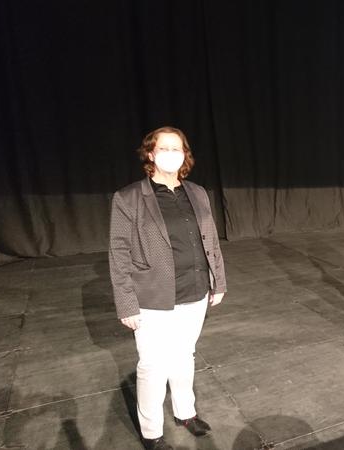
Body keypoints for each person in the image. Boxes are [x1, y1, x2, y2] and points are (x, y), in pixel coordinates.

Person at [109, 126, 226, 449]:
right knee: (152, 365)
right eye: (164, 148)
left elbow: (211, 240)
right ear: (150, 153)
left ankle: (185, 412)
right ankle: (152, 433)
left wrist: (218, 281)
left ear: (185, 155)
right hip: (152, 298)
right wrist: (126, 303)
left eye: (177, 149)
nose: (171, 154)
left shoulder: (198, 192)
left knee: (184, 355)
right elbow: (118, 252)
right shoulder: (129, 198)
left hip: (195, 291)